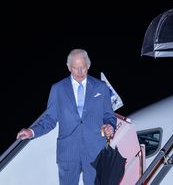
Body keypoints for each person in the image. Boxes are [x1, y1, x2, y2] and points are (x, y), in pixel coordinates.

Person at [17, 49, 116, 185]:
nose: (80, 72)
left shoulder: (101, 87)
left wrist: (110, 125)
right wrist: (31, 131)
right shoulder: (57, 89)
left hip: (95, 151)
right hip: (68, 152)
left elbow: (109, 116)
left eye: (83, 67)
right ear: (69, 67)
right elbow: (49, 119)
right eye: (76, 68)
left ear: (89, 65)